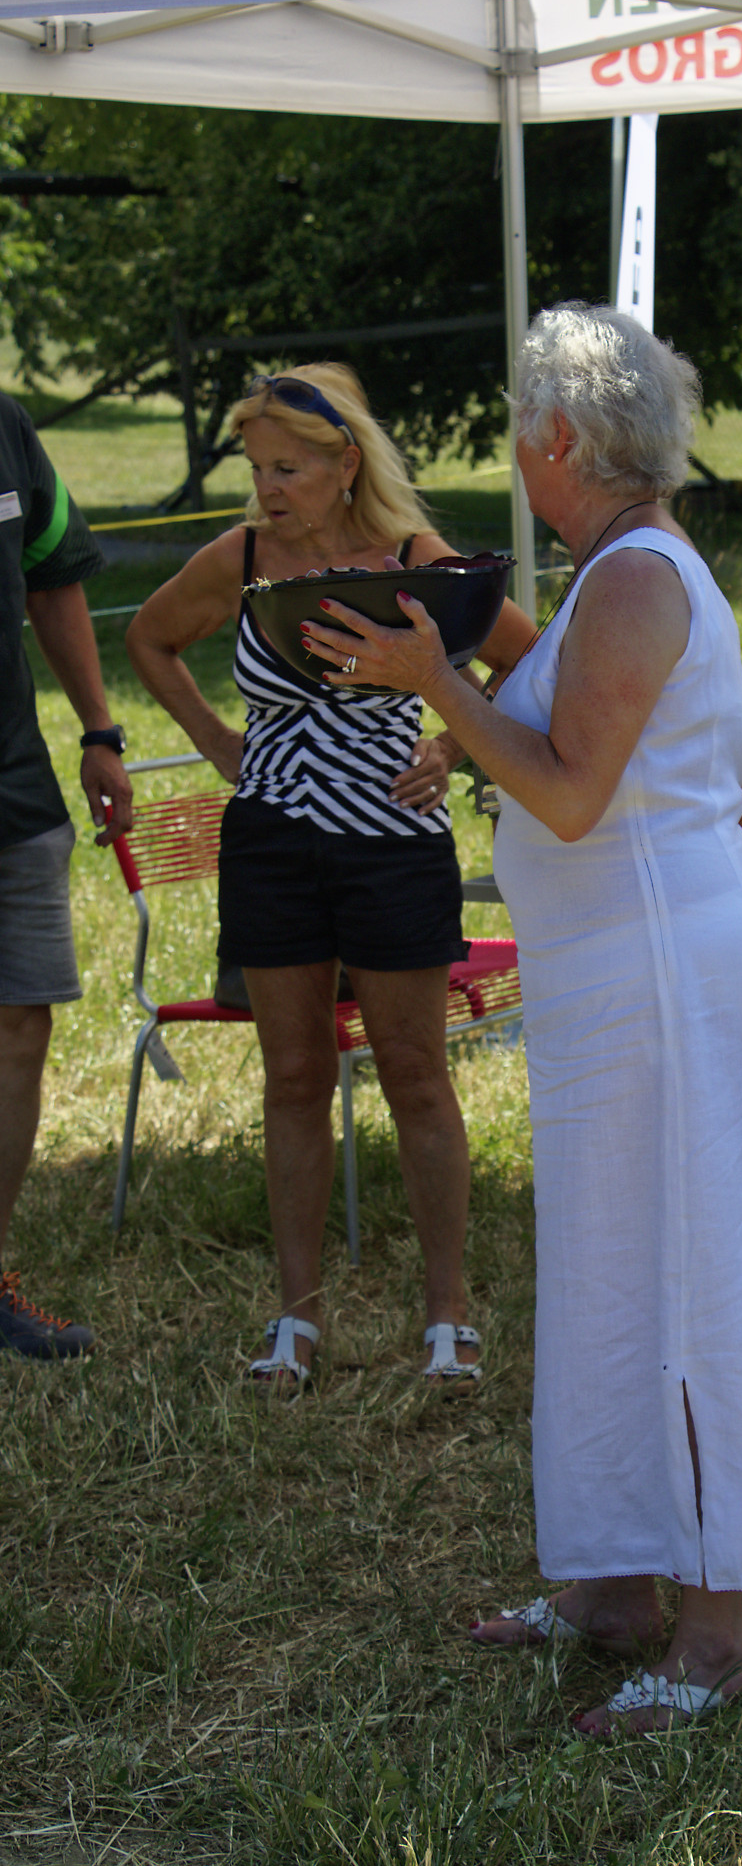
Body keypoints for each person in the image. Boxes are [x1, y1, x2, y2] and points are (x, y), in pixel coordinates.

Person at [300, 306, 742, 1735]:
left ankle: (713, 1632)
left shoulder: (638, 575)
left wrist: (437, 685)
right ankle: (614, 1583)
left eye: (524, 426)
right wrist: (460, 729)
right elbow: (577, 762)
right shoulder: (613, 570)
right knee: (608, 1274)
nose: (518, 451)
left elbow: (577, 794)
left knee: (693, 1281)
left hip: (668, 982)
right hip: (618, 982)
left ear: (561, 436)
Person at [126, 364, 533, 1390]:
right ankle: (296, 1318)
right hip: (271, 846)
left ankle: (447, 1314)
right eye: (258, 468)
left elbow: (527, 653)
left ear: (345, 464)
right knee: (296, 1077)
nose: (267, 488)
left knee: (415, 1074)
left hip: (393, 843)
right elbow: (149, 637)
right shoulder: (242, 558)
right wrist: (218, 741)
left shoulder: (411, 558)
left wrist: (455, 743)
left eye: (288, 469)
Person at [0, 392, 134, 1357]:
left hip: (14, 787)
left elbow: (52, 583)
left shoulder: (6, 429)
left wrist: (99, 731)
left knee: (20, 1027)